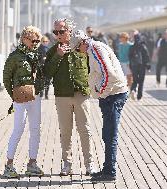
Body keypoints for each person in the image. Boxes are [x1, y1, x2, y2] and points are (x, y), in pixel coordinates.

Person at [72, 30, 128, 182]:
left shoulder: (95, 49)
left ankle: (110, 172)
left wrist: (100, 92)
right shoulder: (93, 49)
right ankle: (107, 169)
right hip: (112, 95)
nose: (79, 52)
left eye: (77, 49)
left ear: (82, 43)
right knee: (107, 134)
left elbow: (109, 74)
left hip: (113, 95)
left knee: (110, 135)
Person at [45, 18, 95, 176]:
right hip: (62, 96)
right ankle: (67, 164)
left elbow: (92, 68)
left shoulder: (82, 48)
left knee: (85, 130)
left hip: (81, 95)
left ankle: (89, 164)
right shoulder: (52, 51)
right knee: (65, 131)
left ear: (69, 31)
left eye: (61, 31)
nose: (58, 35)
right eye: (55, 32)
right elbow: (47, 73)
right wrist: (58, 56)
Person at [3, 25, 44, 178]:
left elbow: (42, 75)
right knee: (18, 129)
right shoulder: (14, 56)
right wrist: (13, 95)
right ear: (25, 39)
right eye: (33, 40)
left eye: (38, 41)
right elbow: (6, 78)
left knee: (35, 129)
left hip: (35, 96)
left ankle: (32, 164)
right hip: (20, 97)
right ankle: (9, 165)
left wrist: (39, 88)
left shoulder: (38, 55)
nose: (36, 43)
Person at [129, 33, 150, 100]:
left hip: (134, 66)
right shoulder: (143, 46)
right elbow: (147, 57)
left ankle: (133, 90)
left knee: (135, 80)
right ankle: (139, 96)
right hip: (142, 66)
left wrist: (131, 66)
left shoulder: (132, 47)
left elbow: (129, 57)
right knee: (141, 81)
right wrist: (148, 66)